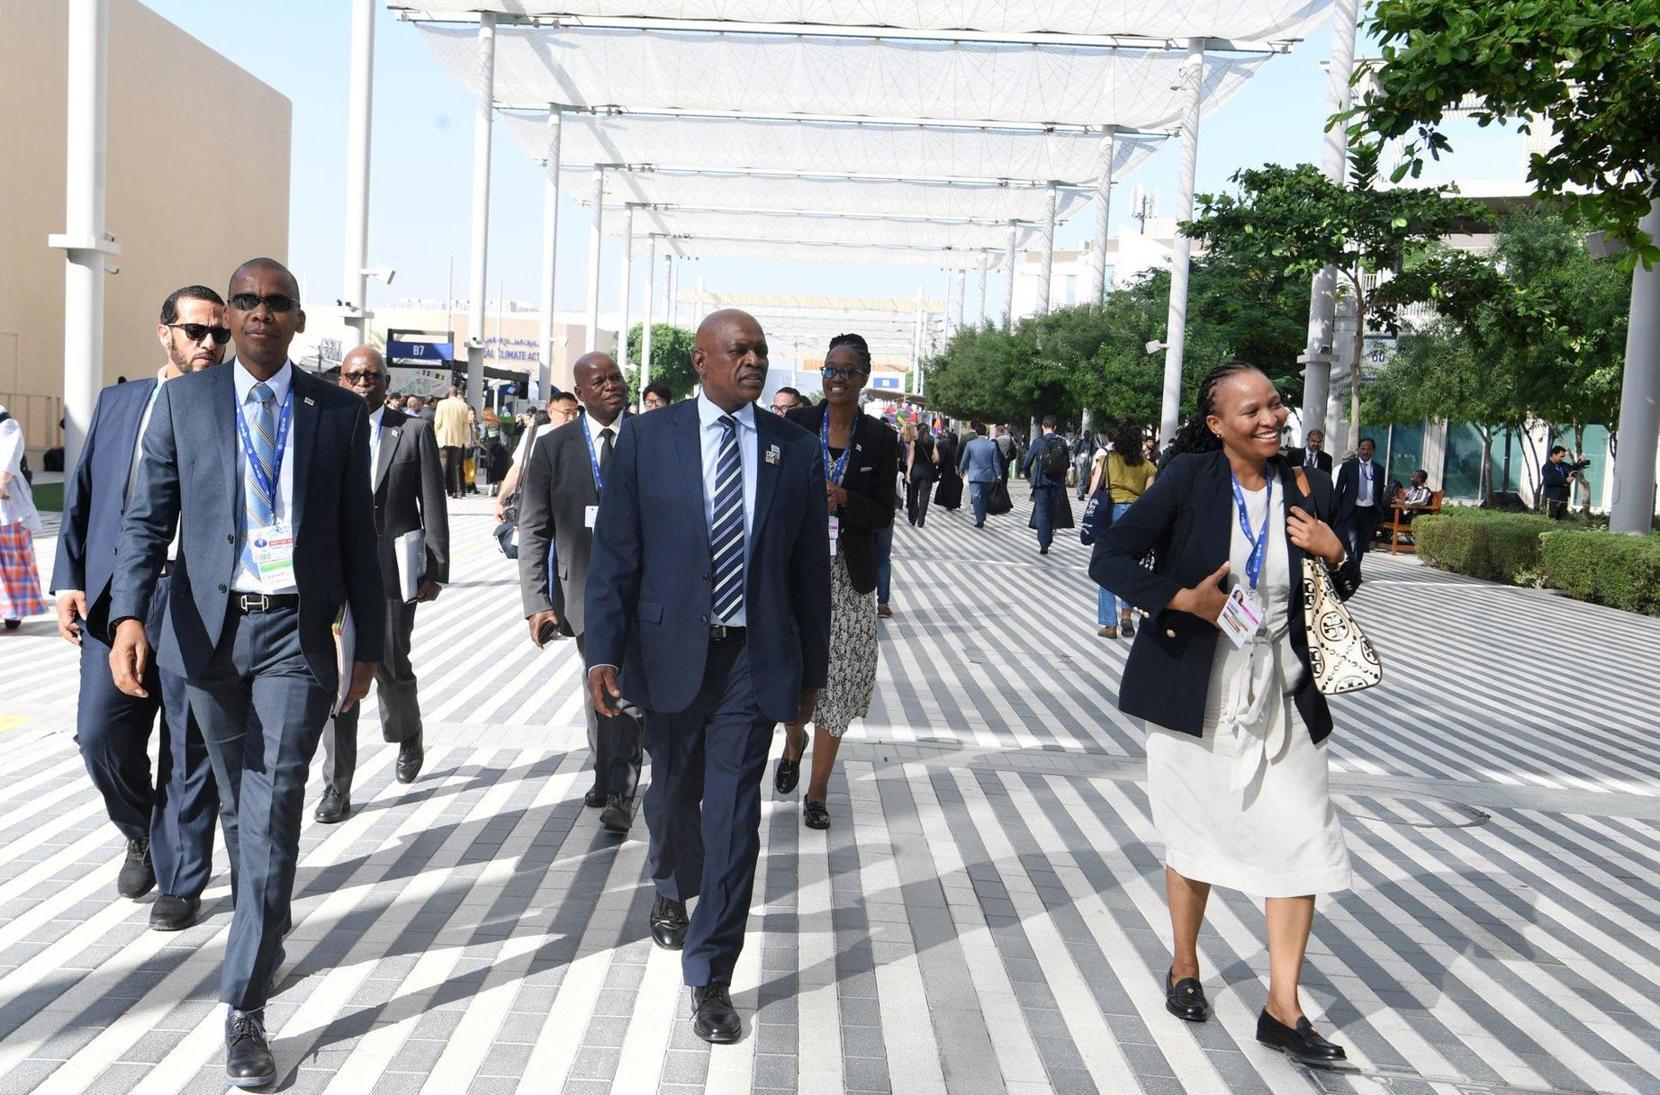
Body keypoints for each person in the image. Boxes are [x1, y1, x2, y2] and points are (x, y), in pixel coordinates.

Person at [107, 258, 384, 1088]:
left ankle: (244, 1005)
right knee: (238, 802)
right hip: (208, 637)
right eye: (246, 301)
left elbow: (358, 535)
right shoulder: (184, 402)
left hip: (296, 635)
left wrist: (368, 644)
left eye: (277, 302)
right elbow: (146, 518)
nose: (261, 313)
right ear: (228, 316)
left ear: (298, 319)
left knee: (272, 808)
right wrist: (128, 617)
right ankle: (267, 919)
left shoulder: (337, 412)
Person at [1090, 360, 1359, 1069]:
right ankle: (1185, 965)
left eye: (1275, 404)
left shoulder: (1307, 484)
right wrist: (1181, 599)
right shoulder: (1189, 479)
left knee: (1303, 837)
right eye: (1252, 411)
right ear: (1216, 425)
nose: (1271, 418)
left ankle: (1283, 1008)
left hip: (1283, 691)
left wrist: (1337, 551)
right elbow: (1109, 555)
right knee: (1194, 833)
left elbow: (1343, 579)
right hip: (1196, 688)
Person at [585, 309, 830, 1045]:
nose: (753, 361)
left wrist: (811, 674)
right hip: (666, 655)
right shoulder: (647, 438)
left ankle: (712, 974)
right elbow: (616, 553)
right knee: (670, 798)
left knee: (733, 819)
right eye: (738, 350)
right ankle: (669, 882)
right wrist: (602, 652)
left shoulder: (793, 448)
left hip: (753, 661)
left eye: (760, 351)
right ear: (701, 360)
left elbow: (808, 572)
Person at [48, 284, 227, 929]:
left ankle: (181, 879)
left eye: (219, 333)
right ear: (165, 333)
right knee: (100, 734)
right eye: (195, 331)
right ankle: (143, 831)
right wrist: (69, 579)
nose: (209, 343)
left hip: (196, 597)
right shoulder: (120, 402)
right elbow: (83, 493)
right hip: (117, 593)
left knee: (188, 743)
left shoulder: (233, 406)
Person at [315, 346, 449, 824]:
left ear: (386, 382)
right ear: (341, 380)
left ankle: (407, 731)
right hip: (334, 572)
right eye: (353, 376)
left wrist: (435, 567)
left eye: (371, 376)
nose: (362, 384)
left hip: (392, 569)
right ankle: (337, 786)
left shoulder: (411, 431)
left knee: (390, 663)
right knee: (338, 672)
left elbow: (432, 500)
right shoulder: (323, 428)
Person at [777, 333, 898, 830]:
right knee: (793, 671)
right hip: (798, 569)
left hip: (849, 576)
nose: (837, 379)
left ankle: (818, 791)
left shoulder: (881, 438)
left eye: (848, 372)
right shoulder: (798, 425)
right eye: (830, 369)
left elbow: (884, 512)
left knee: (840, 681)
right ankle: (793, 741)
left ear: (864, 378)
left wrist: (844, 499)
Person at [519, 352, 643, 835]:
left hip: (644, 588)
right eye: (599, 380)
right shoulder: (553, 447)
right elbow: (534, 528)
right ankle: (605, 772)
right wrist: (537, 602)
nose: (612, 385)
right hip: (584, 589)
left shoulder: (648, 438)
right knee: (601, 680)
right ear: (579, 393)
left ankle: (621, 792)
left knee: (626, 689)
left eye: (616, 377)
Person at [1092, 420, 1156, 639]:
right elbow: (1149, 497)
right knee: (1129, 566)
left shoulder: (1107, 460)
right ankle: (1127, 615)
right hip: (1135, 516)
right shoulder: (1147, 466)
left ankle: (1110, 624)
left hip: (1111, 511)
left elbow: (1094, 489)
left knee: (1106, 565)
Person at [0, 402, 46, 632]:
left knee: (11, 558)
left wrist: (2, 481)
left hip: (6, 507)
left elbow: (9, 458)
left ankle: (12, 610)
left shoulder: (5, 423)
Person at [1022, 415, 1074, 555]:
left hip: (1041, 482)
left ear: (1042, 427)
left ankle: (1044, 542)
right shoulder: (1062, 442)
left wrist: (1028, 476)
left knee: (1042, 511)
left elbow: (1027, 463)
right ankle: (1048, 538)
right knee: (1051, 511)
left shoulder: (1038, 442)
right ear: (1055, 427)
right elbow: (1066, 463)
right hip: (1057, 483)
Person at [1333, 437, 1384, 566]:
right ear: (1358, 450)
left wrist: (1379, 512)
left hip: (1370, 511)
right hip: (1351, 510)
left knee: (1362, 542)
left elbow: (1379, 492)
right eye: (1363, 449)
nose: (1365, 452)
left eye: (1369, 449)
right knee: (1351, 540)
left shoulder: (1379, 469)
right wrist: (1337, 510)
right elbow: (1338, 490)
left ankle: (1356, 567)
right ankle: (1351, 568)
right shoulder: (1348, 467)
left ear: (1373, 451)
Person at [958, 420, 1001, 527]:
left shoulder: (970, 444)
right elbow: (995, 461)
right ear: (985, 432)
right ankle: (982, 515)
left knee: (976, 497)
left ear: (976, 432)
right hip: (987, 476)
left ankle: (979, 519)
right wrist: (998, 474)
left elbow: (965, 458)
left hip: (974, 475)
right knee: (984, 496)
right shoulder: (992, 445)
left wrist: (961, 469)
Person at [434, 385, 470, 498]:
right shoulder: (463, 405)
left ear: (448, 393)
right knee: (456, 465)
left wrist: (435, 433)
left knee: (442, 464)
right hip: (457, 439)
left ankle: (439, 490)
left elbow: (438, 422)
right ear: (456, 393)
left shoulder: (441, 404)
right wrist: (466, 440)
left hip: (443, 437)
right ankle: (458, 490)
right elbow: (466, 425)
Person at [902, 422, 937, 527]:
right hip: (927, 471)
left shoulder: (915, 441)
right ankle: (921, 521)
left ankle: (912, 518)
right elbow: (936, 457)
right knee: (924, 497)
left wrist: (908, 473)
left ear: (918, 430)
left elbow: (911, 458)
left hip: (915, 471)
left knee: (913, 495)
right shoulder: (932, 440)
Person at [1539, 446, 1589, 519]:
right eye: (1561, 456)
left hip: (1563, 497)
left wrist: (1581, 463)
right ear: (1553, 455)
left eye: (1563, 457)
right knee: (1551, 518)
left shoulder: (1563, 465)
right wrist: (1565, 481)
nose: (1562, 459)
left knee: (1562, 519)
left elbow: (1573, 467)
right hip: (1552, 498)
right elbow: (1550, 481)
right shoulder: (1547, 467)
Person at [932, 427, 962, 511]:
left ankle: (947, 503)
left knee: (946, 488)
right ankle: (953, 503)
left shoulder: (947, 449)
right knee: (954, 489)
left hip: (947, 472)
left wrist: (939, 471)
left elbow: (942, 461)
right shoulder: (958, 450)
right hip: (956, 473)